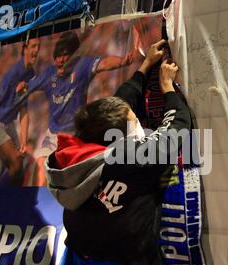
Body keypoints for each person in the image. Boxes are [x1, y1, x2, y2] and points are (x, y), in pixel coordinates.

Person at [44, 39, 191, 265]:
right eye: (134, 122)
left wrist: (144, 68)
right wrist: (168, 88)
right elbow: (177, 130)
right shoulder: (131, 161)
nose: (138, 124)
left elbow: (117, 107)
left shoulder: (77, 152)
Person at [16, 31, 138, 186]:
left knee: (71, 177)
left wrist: (123, 61)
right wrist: (23, 86)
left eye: (64, 55)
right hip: (53, 135)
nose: (60, 60)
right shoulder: (49, 74)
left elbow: (105, 63)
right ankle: (37, 204)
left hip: (75, 136)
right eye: (57, 56)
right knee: (40, 164)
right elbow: (28, 86)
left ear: (74, 55)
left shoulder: (83, 66)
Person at [0, 38, 41, 185]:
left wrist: (24, 141)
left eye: (39, 46)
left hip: (10, 125)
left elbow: (24, 110)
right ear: (24, 49)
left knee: (20, 162)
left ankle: (2, 190)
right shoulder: (13, 73)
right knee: (16, 162)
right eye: (33, 46)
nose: (36, 50)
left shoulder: (31, 73)